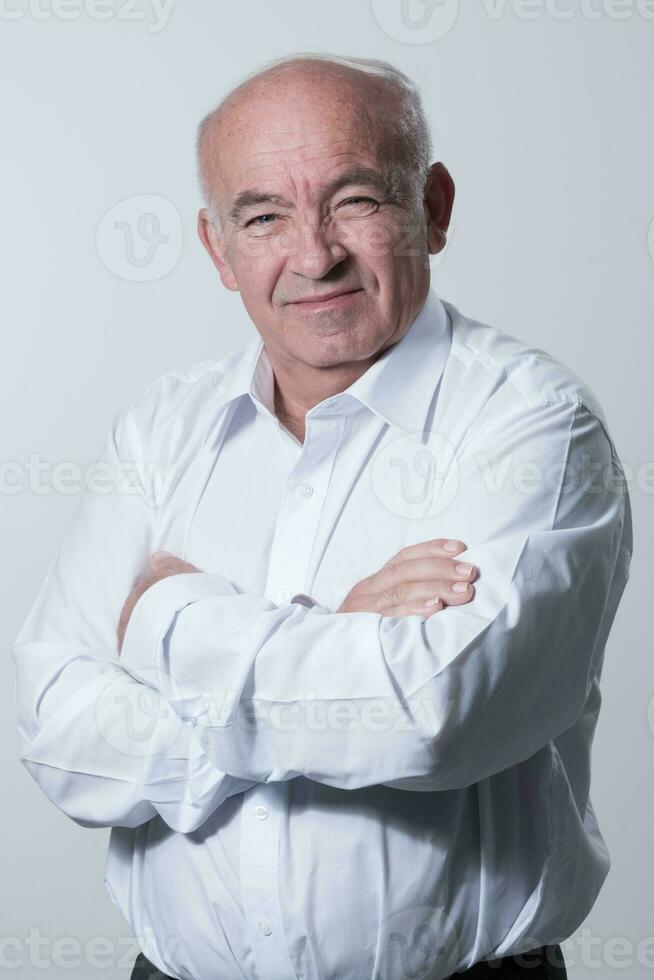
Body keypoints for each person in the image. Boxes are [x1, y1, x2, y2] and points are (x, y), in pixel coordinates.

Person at [12, 52, 632, 980]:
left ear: (434, 207)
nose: (313, 254)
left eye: (356, 201)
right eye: (262, 216)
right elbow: (60, 738)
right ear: (218, 249)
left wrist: (170, 624)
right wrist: (341, 635)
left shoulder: (534, 421)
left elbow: (436, 715)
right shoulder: (161, 429)